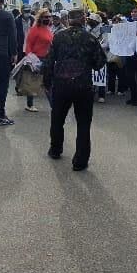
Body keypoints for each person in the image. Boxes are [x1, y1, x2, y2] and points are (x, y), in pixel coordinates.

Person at [45, 9, 108, 171]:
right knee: (83, 123)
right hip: (83, 85)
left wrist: (47, 82)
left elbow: (49, 61)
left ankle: (55, 149)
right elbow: (100, 62)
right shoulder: (90, 38)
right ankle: (80, 160)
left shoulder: (58, 37)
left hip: (61, 84)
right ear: (83, 19)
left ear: (68, 19)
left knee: (57, 119)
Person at [22, 9, 55, 112]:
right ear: (40, 18)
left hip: (47, 59)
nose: (48, 18)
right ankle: (30, 105)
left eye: (49, 16)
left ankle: (54, 106)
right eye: (46, 17)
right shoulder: (35, 29)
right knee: (33, 83)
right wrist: (30, 59)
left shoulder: (48, 28)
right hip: (36, 59)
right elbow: (28, 45)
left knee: (48, 83)